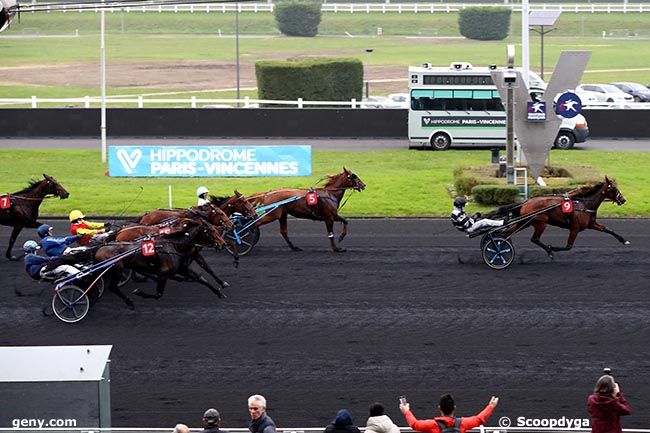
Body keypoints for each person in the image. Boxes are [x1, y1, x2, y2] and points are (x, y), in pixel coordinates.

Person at [400, 393, 499, 433]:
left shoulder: (433, 425)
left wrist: (406, 411)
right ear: (454, 408)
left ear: (439, 408)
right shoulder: (462, 424)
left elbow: (414, 424)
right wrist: (490, 406)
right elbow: (479, 419)